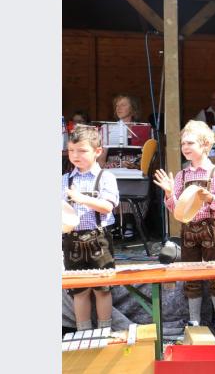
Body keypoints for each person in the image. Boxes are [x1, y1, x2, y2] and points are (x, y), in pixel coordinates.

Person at [153, 120, 215, 341]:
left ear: (205, 145)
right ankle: (194, 321)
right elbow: (177, 210)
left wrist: (211, 198)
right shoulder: (182, 176)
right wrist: (170, 194)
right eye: (182, 144)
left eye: (190, 143)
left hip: (210, 229)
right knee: (191, 275)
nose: (185, 147)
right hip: (188, 231)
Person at [62, 126, 120, 331]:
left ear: (97, 151)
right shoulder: (65, 180)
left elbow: (107, 206)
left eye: (82, 150)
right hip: (72, 241)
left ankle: (104, 330)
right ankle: (83, 333)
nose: (75, 155)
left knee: (102, 289)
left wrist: (81, 198)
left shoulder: (105, 177)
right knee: (79, 290)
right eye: (71, 150)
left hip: (98, 239)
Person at [99, 94, 153, 240]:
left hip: (134, 167)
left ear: (133, 109)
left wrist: (135, 165)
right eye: (117, 105)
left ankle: (129, 222)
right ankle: (115, 222)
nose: (119, 108)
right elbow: (101, 159)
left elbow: (147, 157)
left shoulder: (143, 130)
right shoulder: (107, 129)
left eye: (123, 105)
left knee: (135, 181)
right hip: (113, 166)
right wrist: (104, 166)